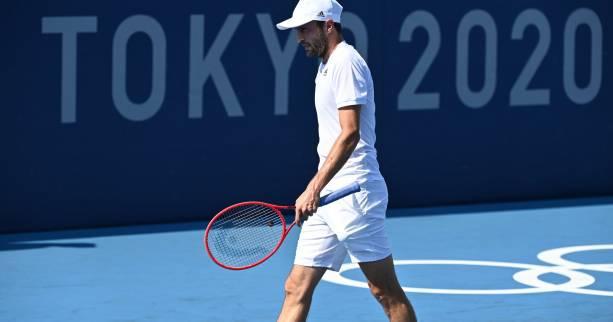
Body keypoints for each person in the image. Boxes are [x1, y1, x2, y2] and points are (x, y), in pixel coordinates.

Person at [275, 1, 418, 321]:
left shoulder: (346, 63)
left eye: (304, 28)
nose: (299, 37)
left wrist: (313, 187)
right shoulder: (325, 65)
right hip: (327, 195)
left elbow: (350, 134)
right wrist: (319, 190)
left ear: (328, 24)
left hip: (355, 194)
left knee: (384, 291)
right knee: (295, 287)